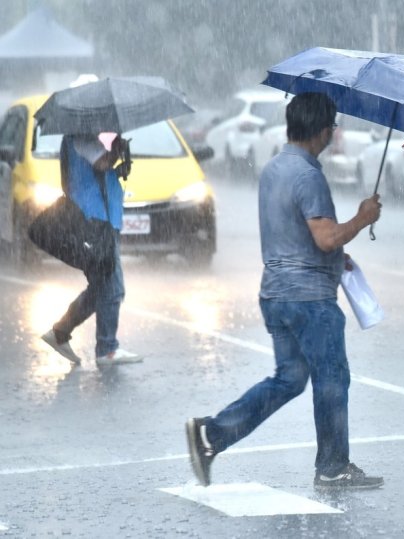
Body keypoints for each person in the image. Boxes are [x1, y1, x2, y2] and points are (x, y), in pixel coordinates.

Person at [185, 92, 384, 490]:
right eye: (333, 127)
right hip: (309, 298)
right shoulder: (309, 175)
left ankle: (213, 434)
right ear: (324, 130)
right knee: (332, 378)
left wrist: (333, 256)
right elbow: (325, 237)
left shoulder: (275, 167)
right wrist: (363, 218)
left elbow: (296, 233)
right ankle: (332, 467)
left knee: (290, 378)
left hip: (276, 292)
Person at [40, 133, 141, 367]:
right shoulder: (81, 138)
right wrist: (116, 149)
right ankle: (107, 349)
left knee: (100, 289)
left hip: (103, 220)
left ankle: (60, 332)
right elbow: (101, 164)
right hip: (95, 222)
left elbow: (99, 174)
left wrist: (118, 169)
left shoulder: (84, 138)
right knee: (112, 288)